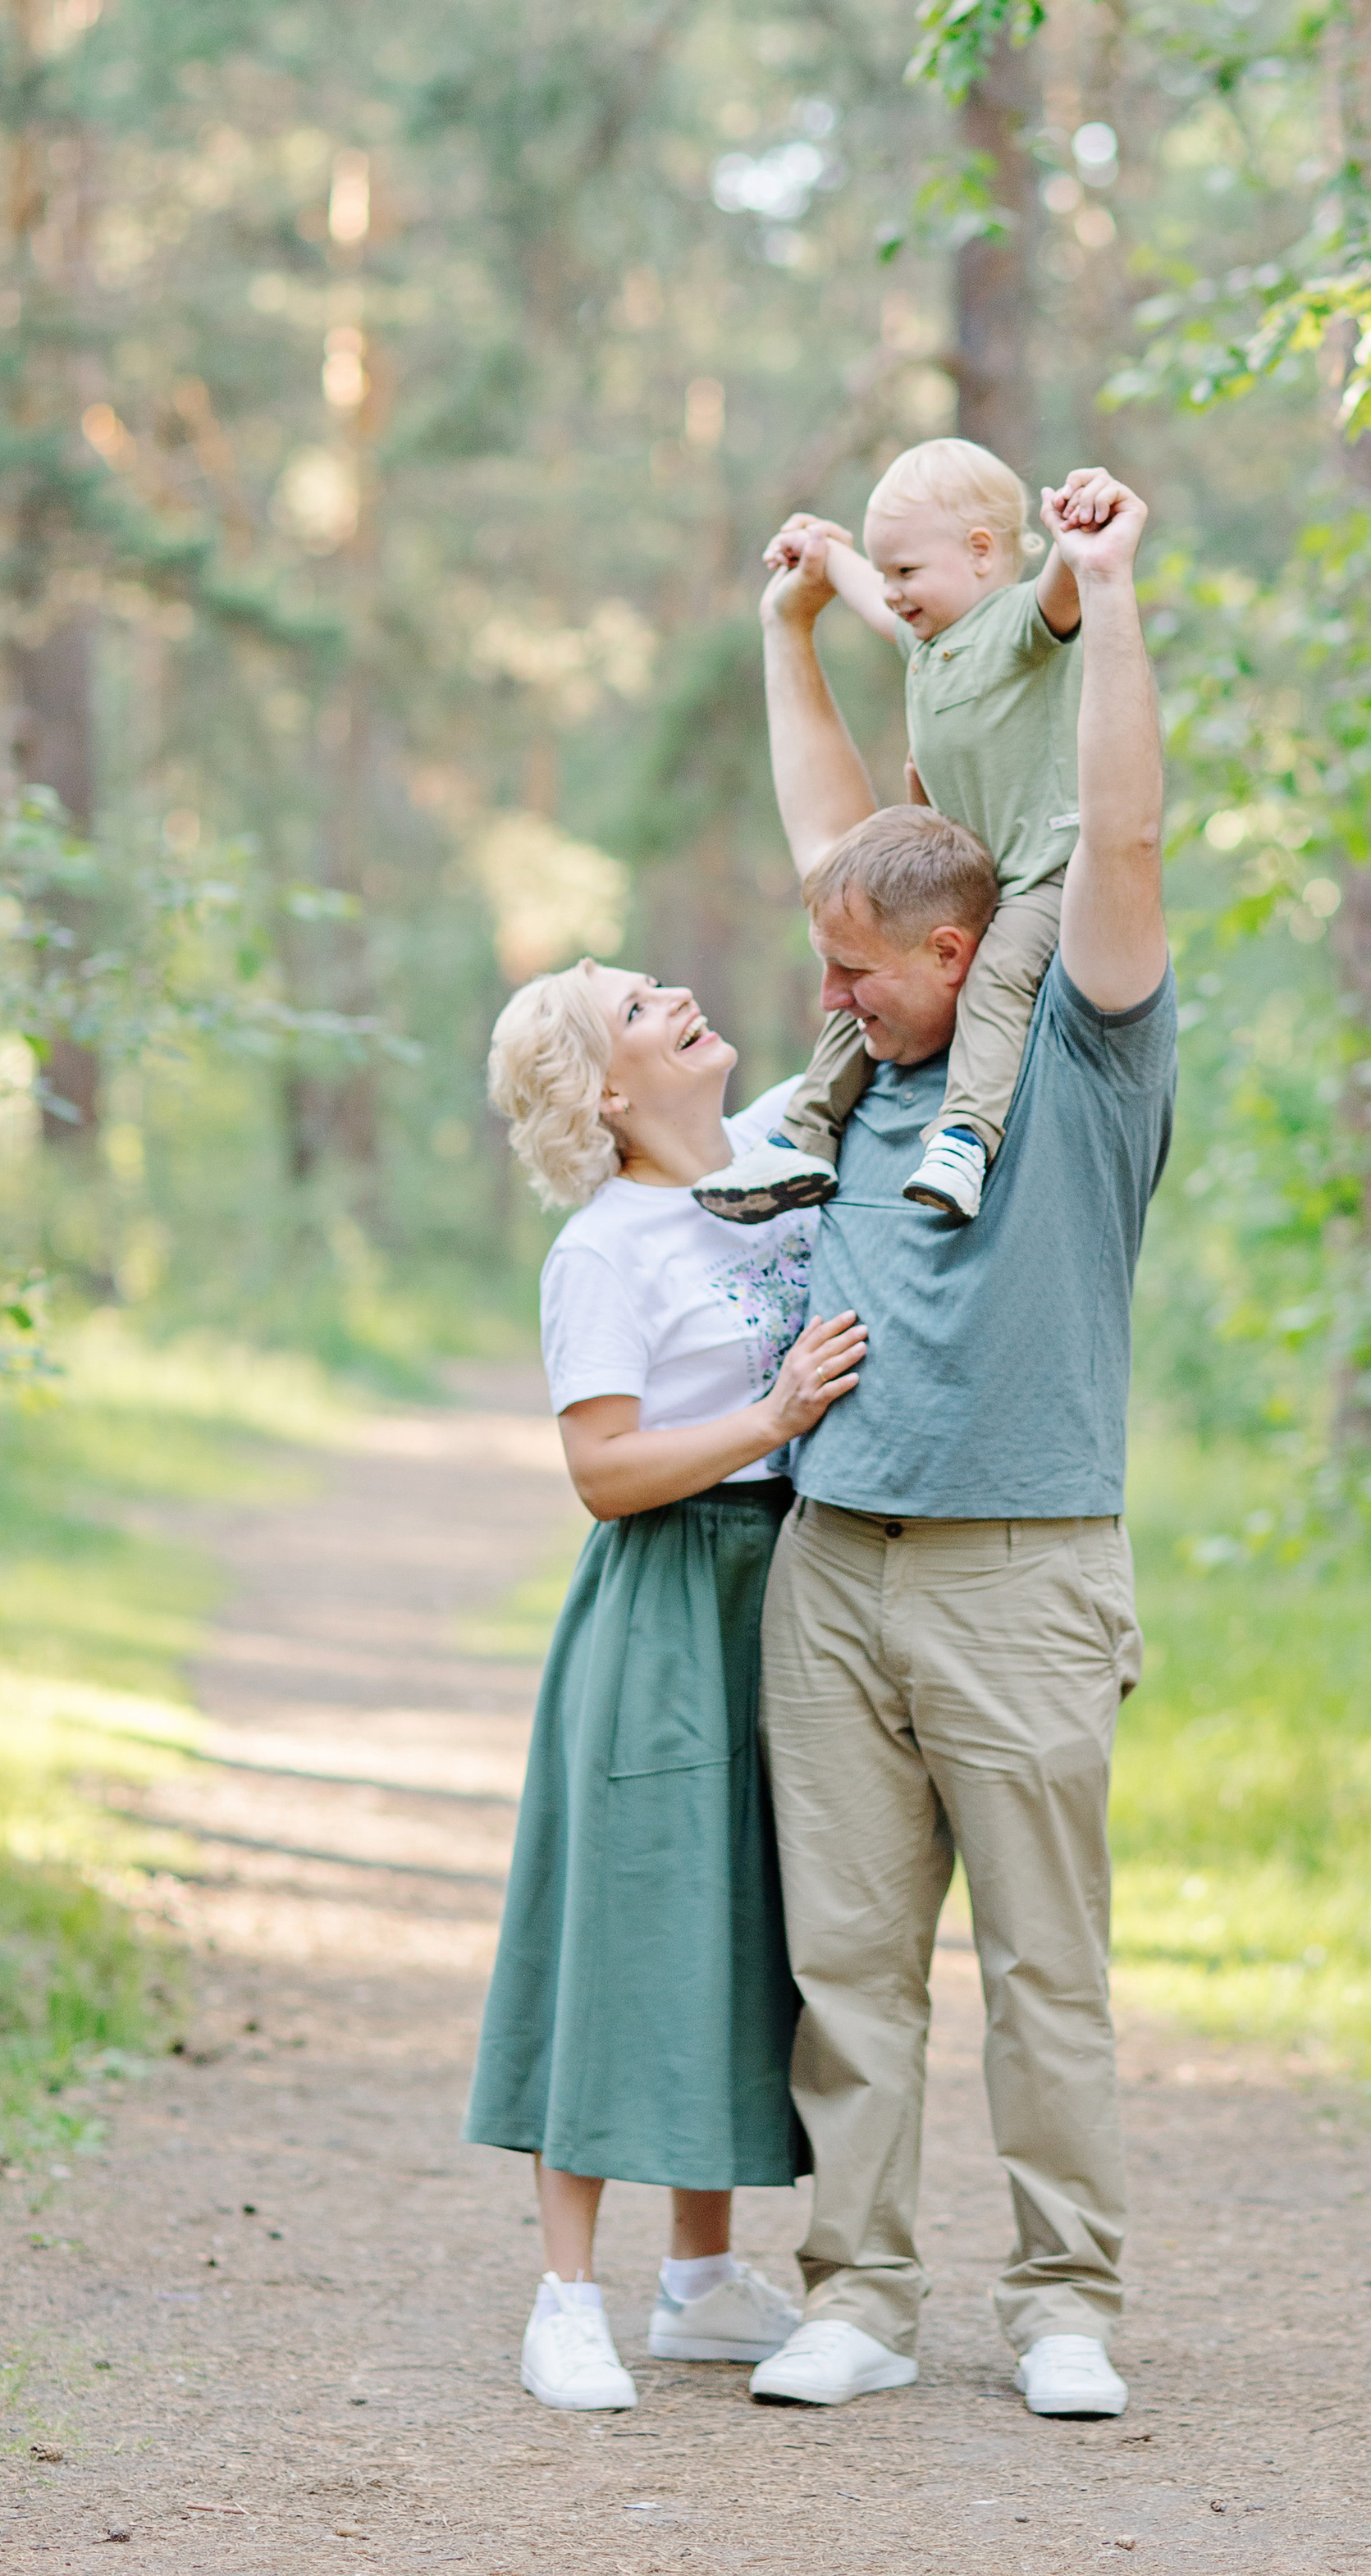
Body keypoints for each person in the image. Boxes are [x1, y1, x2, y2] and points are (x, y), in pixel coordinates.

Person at [741, 471, 1176, 2420]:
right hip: (835, 1564)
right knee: (845, 1964)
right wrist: (789, 634)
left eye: (854, 975)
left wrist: (1103, 593)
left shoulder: (1077, 1039)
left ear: (952, 947)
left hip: (1019, 1564)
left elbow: (1127, 833)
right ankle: (855, 2292)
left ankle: (1063, 2302)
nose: (821, 1008)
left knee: (1041, 1972)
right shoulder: (875, 1027)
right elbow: (834, 838)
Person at [466, 957, 868, 2414]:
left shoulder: (773, 1153)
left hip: (796, 1585)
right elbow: (600, 1470)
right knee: (622, 1918)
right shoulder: (604, 1249)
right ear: (607, 1092)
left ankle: (701, 2280)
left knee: (747, 1921)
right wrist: (770, 1414)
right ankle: (564, 2295)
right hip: (663, 1600)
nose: (681, 991)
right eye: (638, 1007)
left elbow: (861, 990)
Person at [695, 440, 1131, 1230]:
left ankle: (964, 1137)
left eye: (907, 573)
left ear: (980, 553)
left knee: (996, 977)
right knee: (861, 975)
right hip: (964, 885)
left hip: (1041, 877)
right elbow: (861, 587)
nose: (892, 594)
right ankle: (803, 1137)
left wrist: (1077, 532)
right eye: (888, 573)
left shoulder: (1019, 626)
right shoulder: (926, 645)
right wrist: (824, 554)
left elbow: (1065, 587)